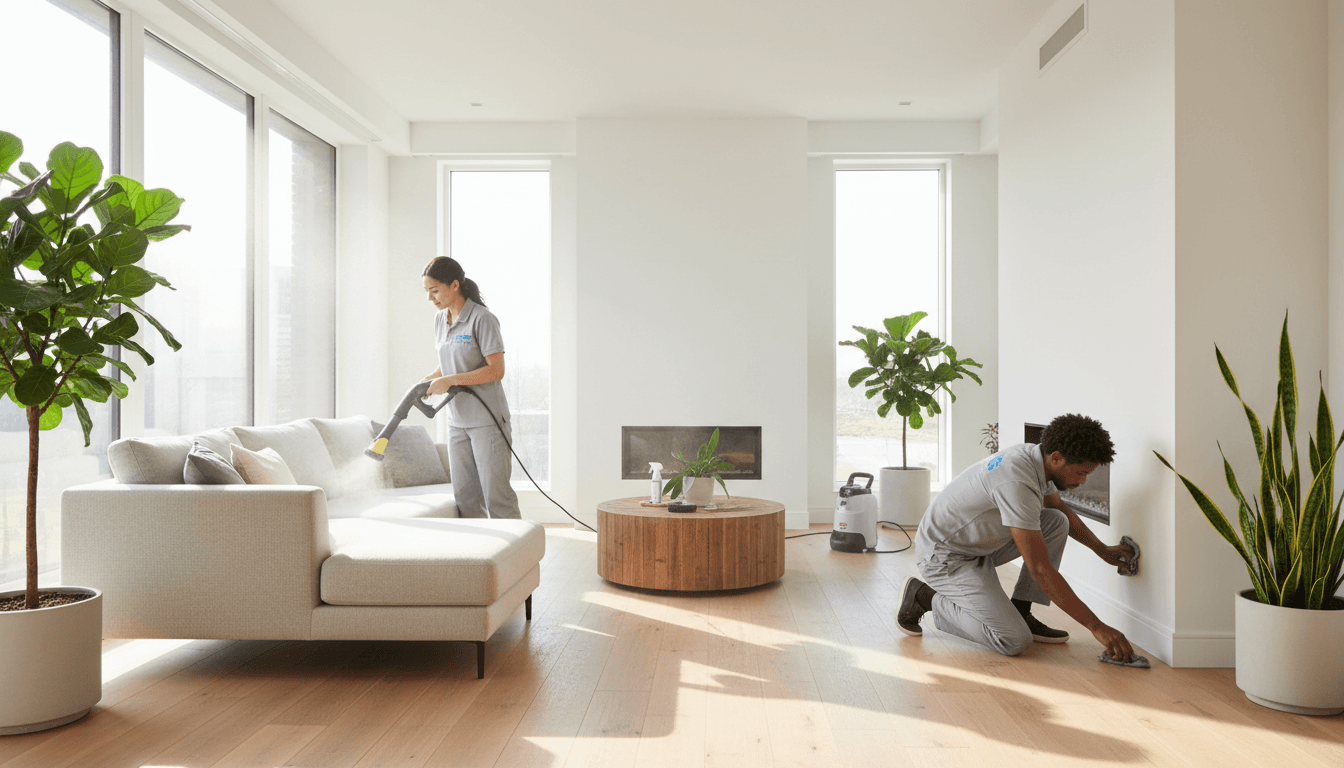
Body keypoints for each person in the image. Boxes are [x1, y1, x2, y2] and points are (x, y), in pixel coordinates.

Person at [897, 413, 1137, 662]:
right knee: (1013, 640)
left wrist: (1102, 549)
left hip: (974, 544)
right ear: (1056, 458)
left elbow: (1061, 509)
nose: (1083, 481)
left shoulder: (1037, 459)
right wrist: (1096, 626)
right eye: (1080, 472)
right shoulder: (1017, 480)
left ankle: (1021, 612)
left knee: (1055, 520)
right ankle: (924, 596)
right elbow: (1041, 570)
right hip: (944, 556)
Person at [419, 256, 520, 519]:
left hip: (487, 421)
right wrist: (429, 380)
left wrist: (450, 380)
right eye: (427, 292)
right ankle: (478, 557)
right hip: (457, 421)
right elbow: (449, 362)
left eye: (434, 290)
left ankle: (515, 557)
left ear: (454, 285)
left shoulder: (482, 319)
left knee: (496, 496)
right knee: (465, 498)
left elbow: (496, 370)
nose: (430, 298)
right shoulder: (440, 320)